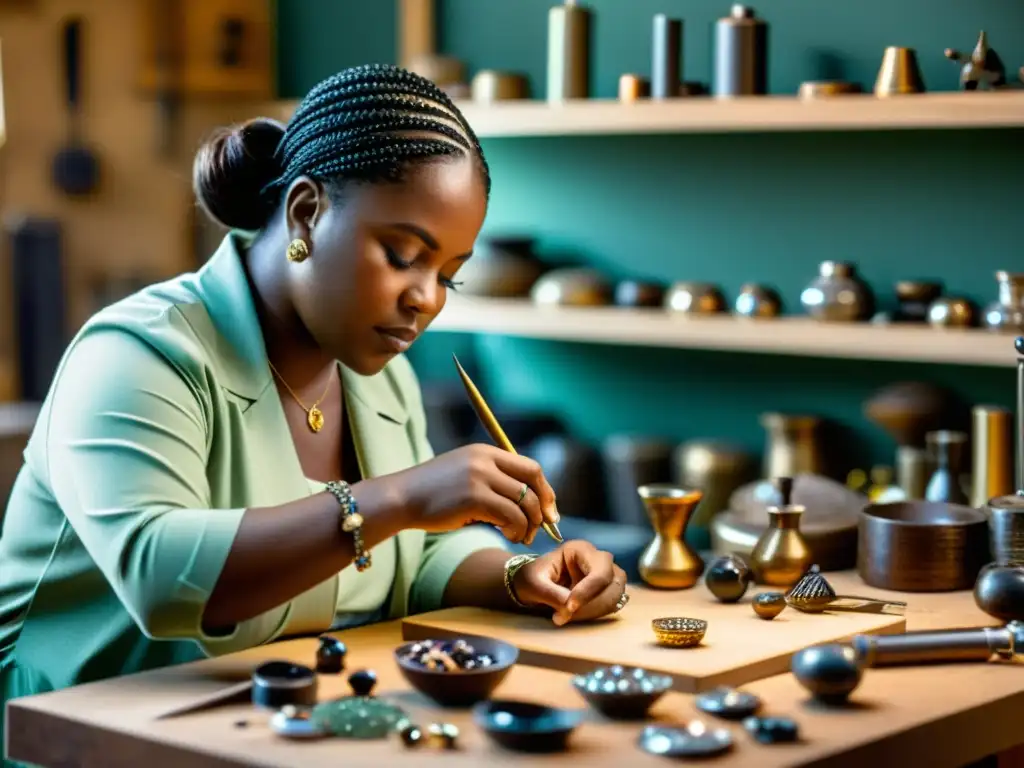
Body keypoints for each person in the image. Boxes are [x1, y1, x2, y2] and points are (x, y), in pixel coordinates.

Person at [0, 64, 628, 761]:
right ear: (305, 212)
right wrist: (402, 495)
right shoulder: (138, 352)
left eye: (447, 274)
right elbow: (158, 576)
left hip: (257, 728)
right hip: (70, 737)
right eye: (402, 255)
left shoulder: (374, 373)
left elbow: (409, 556)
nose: (427, 299)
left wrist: (521, 578)